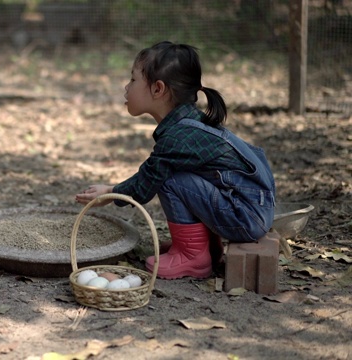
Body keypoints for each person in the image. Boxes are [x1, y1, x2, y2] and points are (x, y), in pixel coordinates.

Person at [75, 41, 276, 280]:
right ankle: (206, 248)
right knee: (178, 175)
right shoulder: (189, 123)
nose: (126, 88)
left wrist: (110, 192)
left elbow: (146, 183)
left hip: (245, 217)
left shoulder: (178, 138)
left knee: (169, 178)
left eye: (133, 80)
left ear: (158, 89)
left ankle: (192, 256)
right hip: (252, 209)